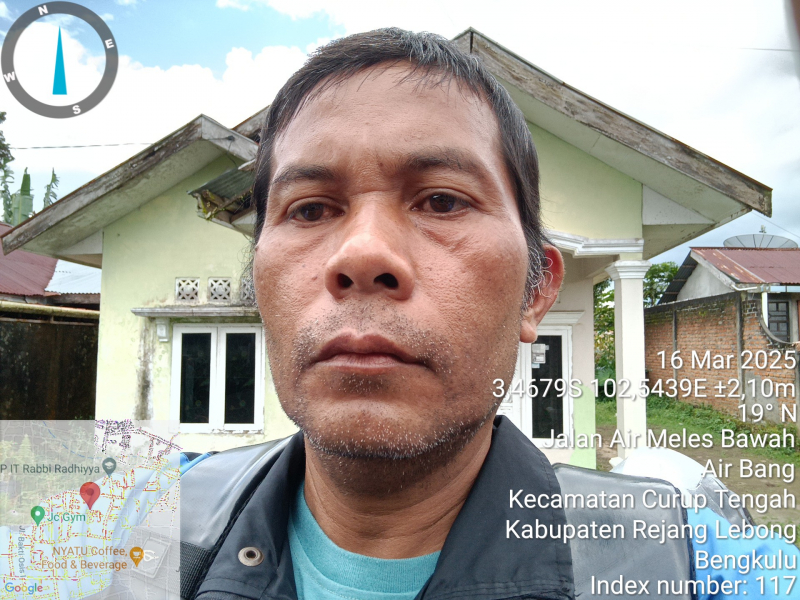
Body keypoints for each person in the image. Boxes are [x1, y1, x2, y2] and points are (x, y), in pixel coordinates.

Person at [180, 28, 798, 600]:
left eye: (442, 201)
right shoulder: (145, 518)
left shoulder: (683, 563)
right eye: (310, 209)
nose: (362, 255)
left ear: (535, 291)